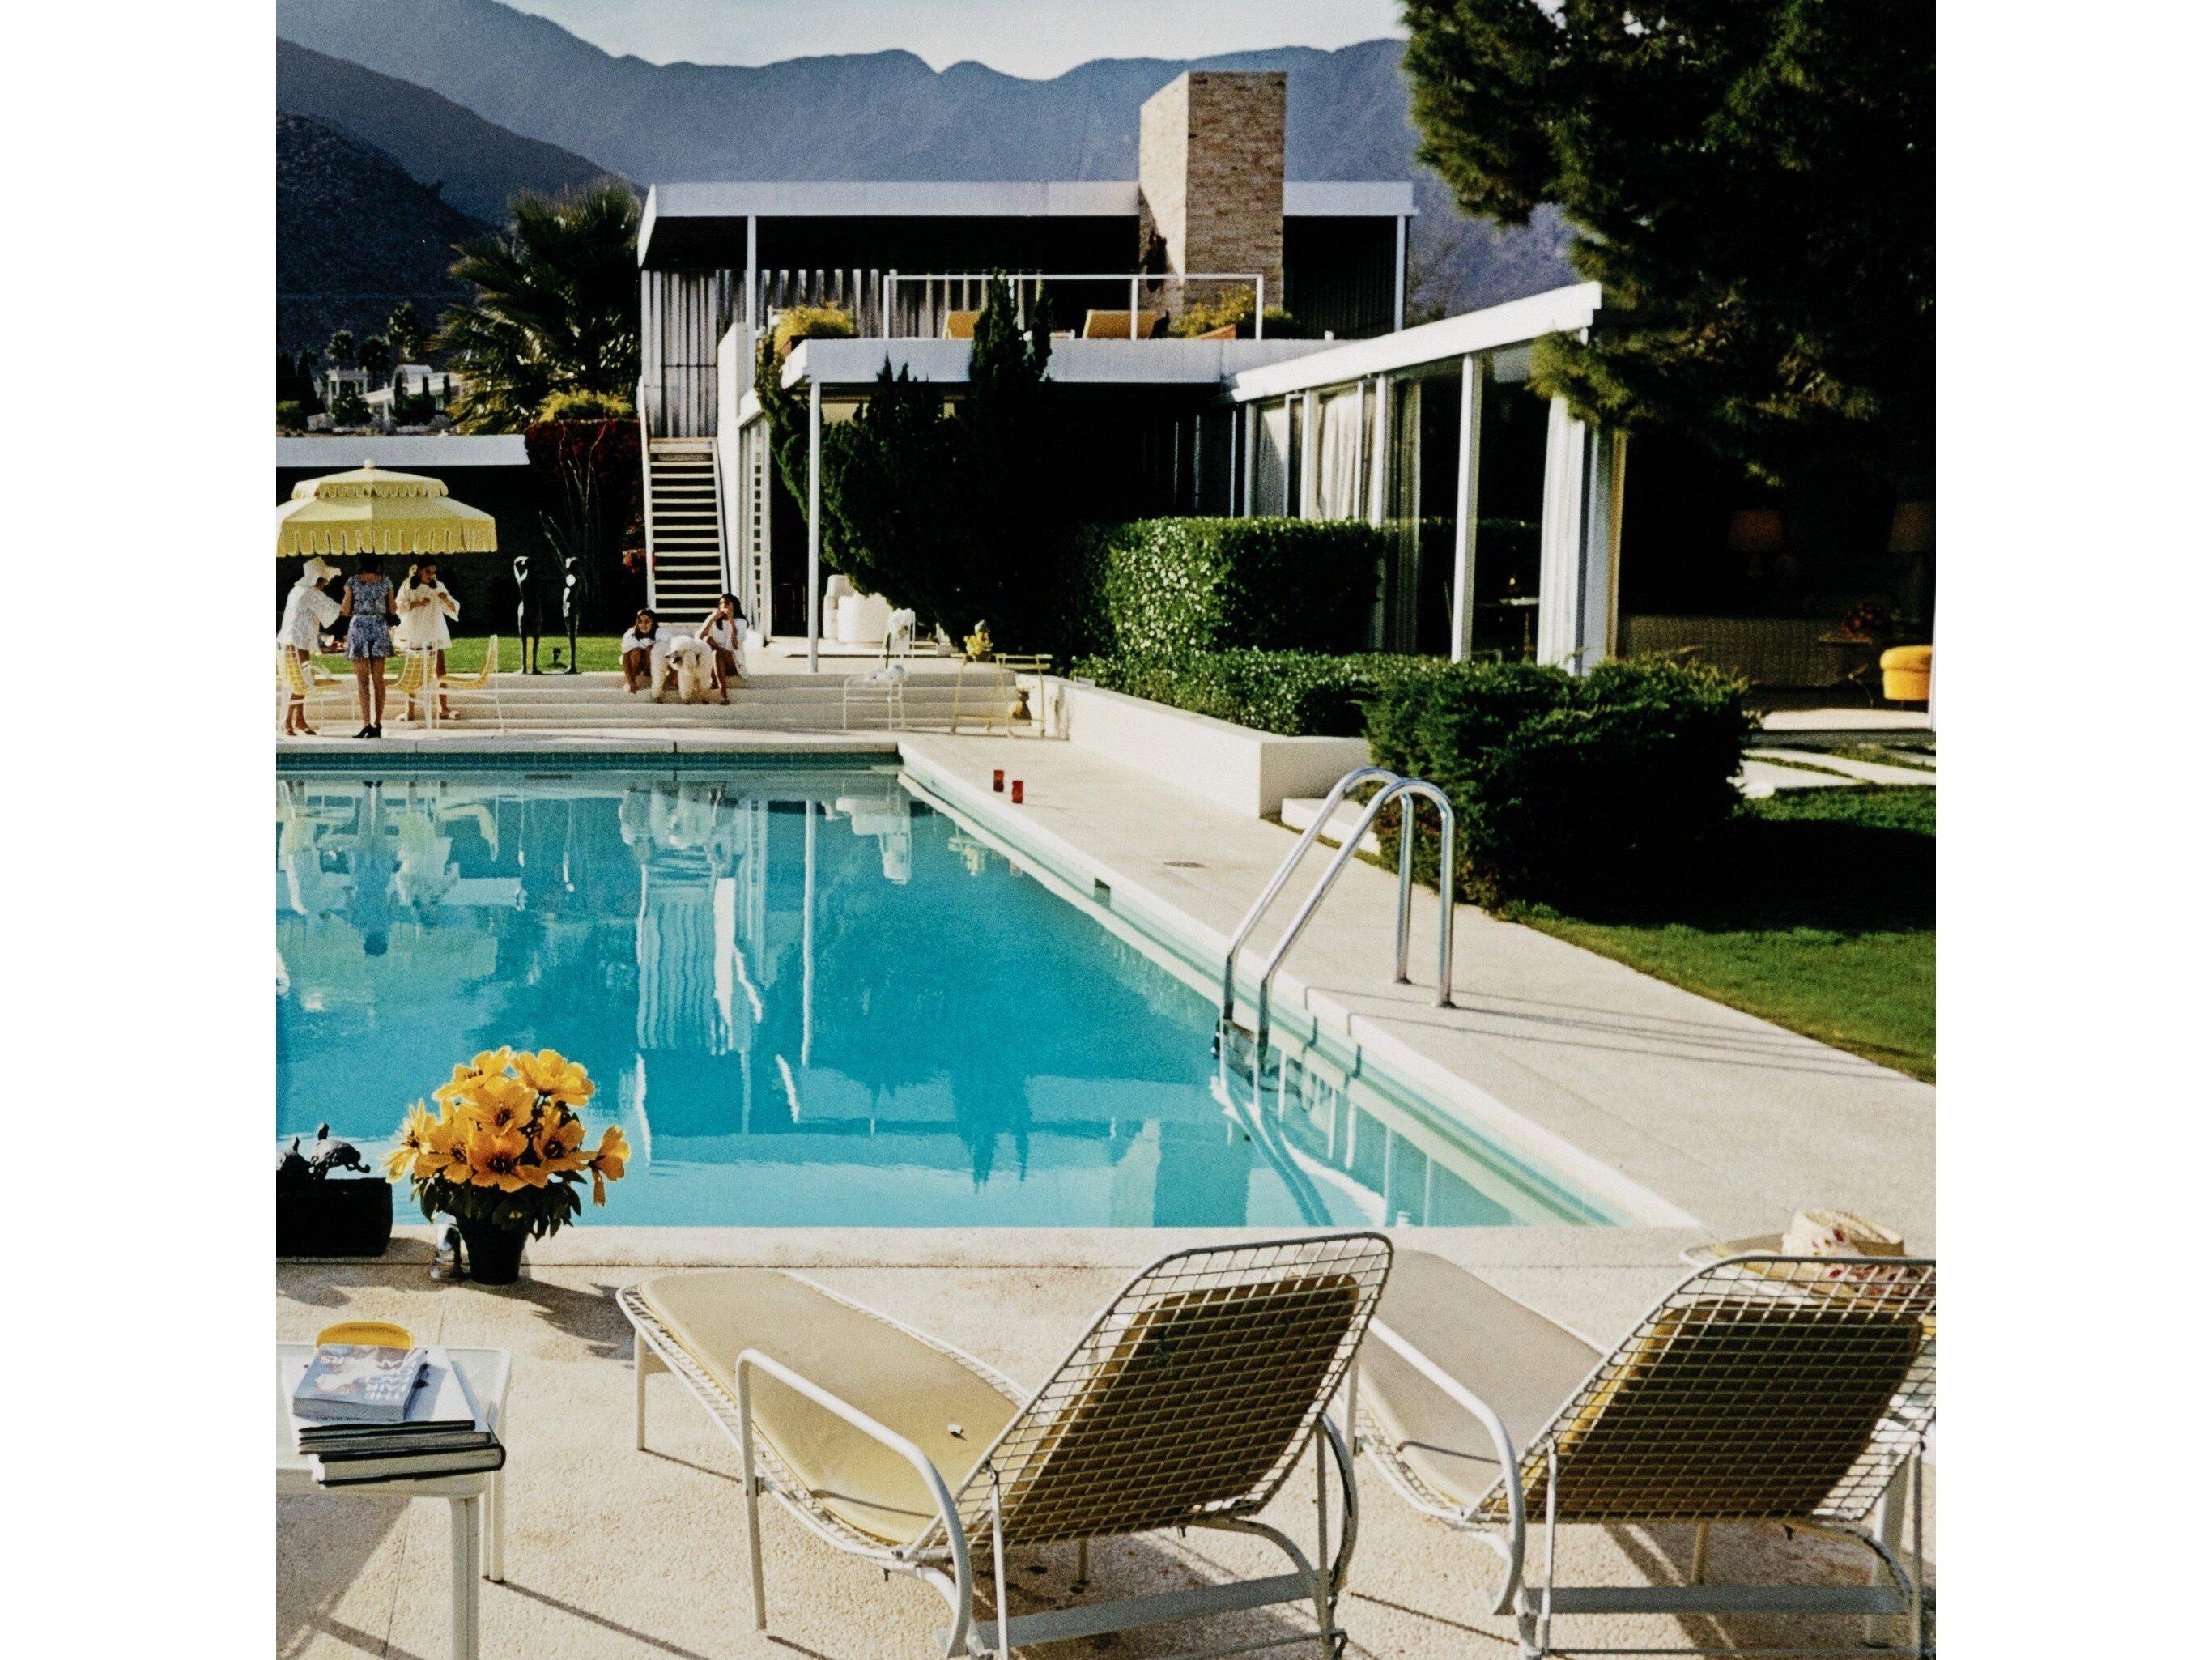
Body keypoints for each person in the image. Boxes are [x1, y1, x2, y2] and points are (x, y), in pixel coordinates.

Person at [276, 556, 342, 736]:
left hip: (289, 642)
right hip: (298, 643)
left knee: (299, 680)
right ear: (318, 579)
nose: (325, 585)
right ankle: (288, 721)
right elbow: (335, 608)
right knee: (301, 681)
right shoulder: (311, 593)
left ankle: (298, 720)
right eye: (324, 581)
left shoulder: (296, 590)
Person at [394, 561, 462, 721]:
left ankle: (443, 709)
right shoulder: (408, 586)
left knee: (440, 671)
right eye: (427, 572)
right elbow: (398, 608)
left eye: (433, 572)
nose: (431, 575)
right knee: (413, 672)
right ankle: (409, 711)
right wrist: (416, 603)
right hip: (415, 632)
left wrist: (445, 600)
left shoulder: (438, 586)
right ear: (419, 571)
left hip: (434, 630)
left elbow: (453, 608)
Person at [336, 554, 395, 738]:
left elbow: (345, 610)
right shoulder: (386, 582)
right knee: (379, 679)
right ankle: (378, 723)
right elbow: (392, 609)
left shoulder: (352, 581)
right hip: (379, 626)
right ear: (378, 565)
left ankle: (366, 723)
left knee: (362, 680)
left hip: (359, 626)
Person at [697, 594, 748, 702]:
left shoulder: (740, 622)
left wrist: (732, 622)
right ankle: (722, 693)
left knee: (716, 653)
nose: (724, 605)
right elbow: (699, 639)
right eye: (721, 603)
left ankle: (723, 695)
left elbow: (735, 645)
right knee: (708, 641)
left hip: (732, 662)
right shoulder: (714, 620)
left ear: (734, 606)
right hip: (714, 658)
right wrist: (711, 619)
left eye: (727, 603)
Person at [619, 609, 659, 694]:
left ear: (653, 622)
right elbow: (625, 660)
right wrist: (631, 682)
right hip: (634, 665)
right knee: (636, 651)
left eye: (647, 621)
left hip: (649, 667)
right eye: (640, 622)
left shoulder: (660, 634)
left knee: (651, 649)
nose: (643, 625)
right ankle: (631, 681)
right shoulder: (631, 634)